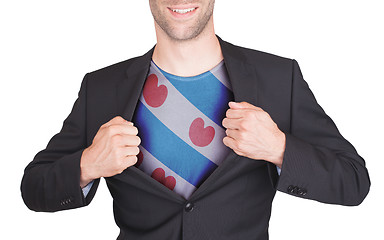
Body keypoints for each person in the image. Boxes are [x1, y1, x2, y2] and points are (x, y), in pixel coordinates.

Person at [21, 0, 370, 239]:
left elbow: (354, 181)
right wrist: (87, 165)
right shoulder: (101, 88)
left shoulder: (279, 78)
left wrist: (279, 148)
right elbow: (34, 188)